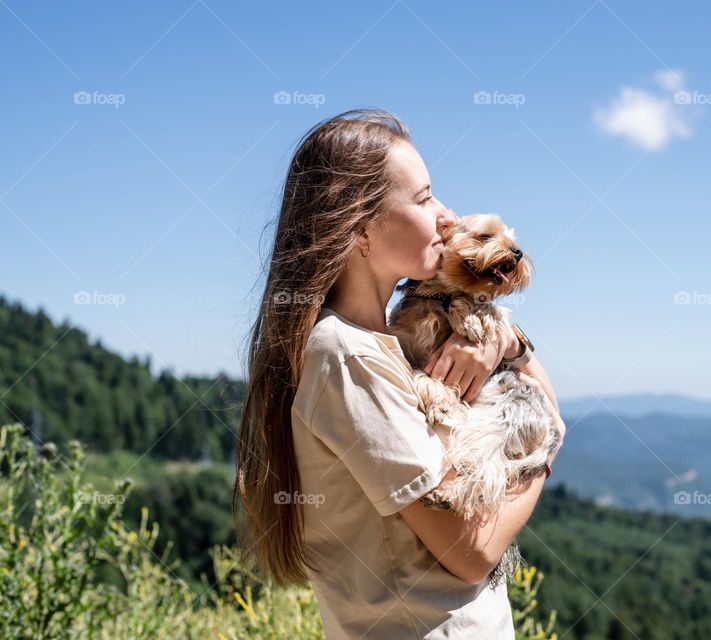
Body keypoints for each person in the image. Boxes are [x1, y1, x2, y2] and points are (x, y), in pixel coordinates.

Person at [234, 108, 565, 639]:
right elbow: (473, 551)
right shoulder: (346, 355)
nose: (446, 214)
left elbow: (538, 397)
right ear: (362, 228)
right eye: (424, 197)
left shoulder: (384, 345)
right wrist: (543, 456)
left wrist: (507, 341)